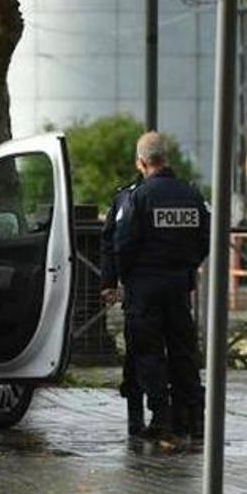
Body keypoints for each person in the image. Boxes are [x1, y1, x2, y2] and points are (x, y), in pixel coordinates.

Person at [114, 132, 210, 440]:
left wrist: (126, 277)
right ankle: (194, 419)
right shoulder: (191, 194)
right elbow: (206, 239)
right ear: (166, 159)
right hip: (179, 285)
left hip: (145, 286)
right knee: (183, 351)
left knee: (148, 352)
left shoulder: (139, 197)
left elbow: (124, 243)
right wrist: (187, 267)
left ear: (141, 162)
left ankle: (162, 417)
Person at [99, 179, 145, 436]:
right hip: (176, 290)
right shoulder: (187, 194)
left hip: (140, 289)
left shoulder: (128, 198)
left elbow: (115, 242)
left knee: (138, 352)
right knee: (178, 354)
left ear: (141, 162)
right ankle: (183, 420)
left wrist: (114, 280)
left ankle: (137, 420)